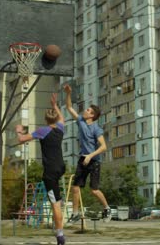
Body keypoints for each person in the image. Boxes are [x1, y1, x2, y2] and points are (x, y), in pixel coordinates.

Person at [16, 93, 66, 245]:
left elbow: (21, 139)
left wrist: (19, 130)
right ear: (56, 119)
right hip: (60, 167)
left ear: (46, 119)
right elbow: (62, 118)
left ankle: (60, 236)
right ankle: (59, 229)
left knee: (55, 204)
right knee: (56, 201)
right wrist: (55, 105)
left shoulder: (42, 131)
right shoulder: (60, 129)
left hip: (50, 172)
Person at [62, 84, 111, 225]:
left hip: (94, 161)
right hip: (82, 159)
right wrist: (68, 93)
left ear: (93, 115)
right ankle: (75, 214)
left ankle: (107, 209)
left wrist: (90, 156)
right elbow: (69, 107)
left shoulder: (96, 129)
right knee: (75, 187)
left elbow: (104, 147)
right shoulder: (81, 121)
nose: (85, 110)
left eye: (88, 110)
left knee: (94, 190)